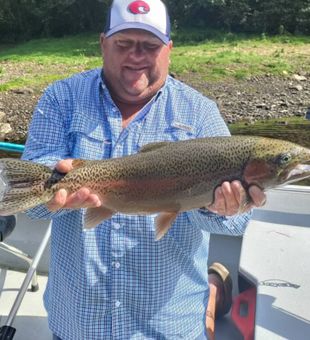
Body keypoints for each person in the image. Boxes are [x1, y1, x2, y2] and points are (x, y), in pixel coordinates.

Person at [22, 0, 266, 339]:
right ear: (102, 42)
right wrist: (54, 189)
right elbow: (31, 202)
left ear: (169, 49)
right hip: (78, 324)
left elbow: (235, 222)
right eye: (124, 44)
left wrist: (222, 206)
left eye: (149, 46)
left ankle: (211, 296)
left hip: (168, 327)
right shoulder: (62, 99)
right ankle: (215, 289)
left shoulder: (200, 114)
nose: (136, 56)